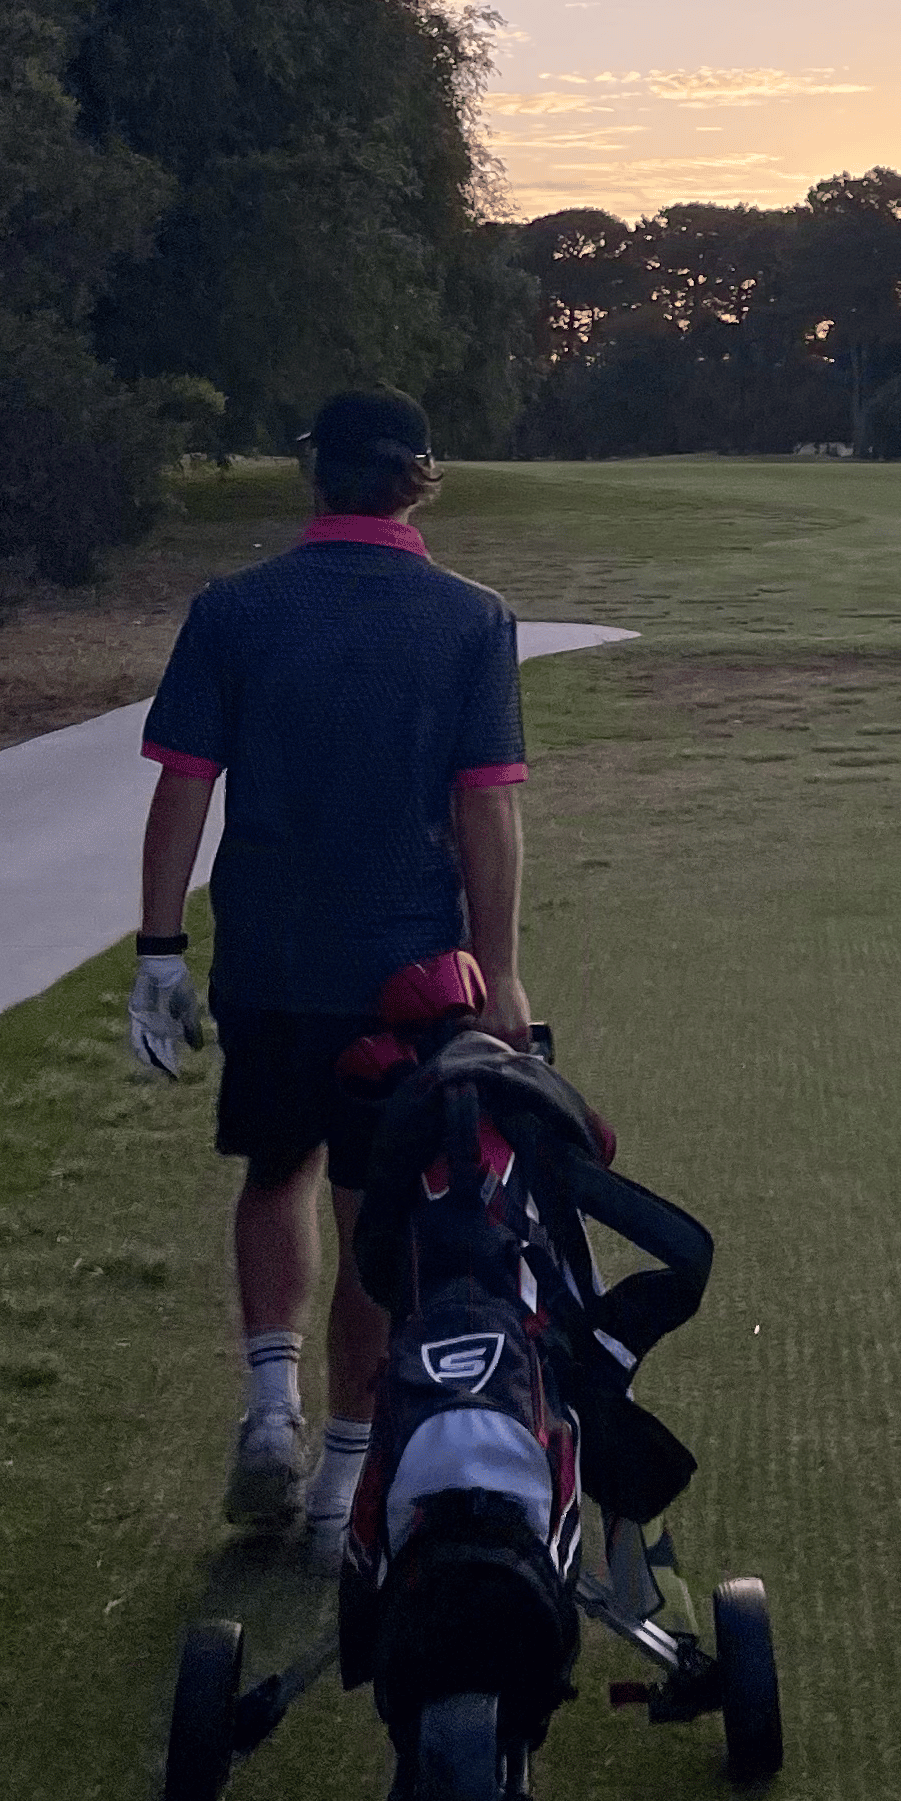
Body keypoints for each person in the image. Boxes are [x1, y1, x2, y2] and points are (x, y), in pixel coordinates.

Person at [125, 386, 533, 1552]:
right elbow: (488, 813)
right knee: (376, 1214)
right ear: (418, 478)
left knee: (272, 1172)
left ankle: (271, 1406)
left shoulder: (236, 608)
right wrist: (500, 975)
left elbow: (182, 789)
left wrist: (160, 955)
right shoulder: (471, 618)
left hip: (268, 958)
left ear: (316, 473)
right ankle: (338, 1484)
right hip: (408, 978)